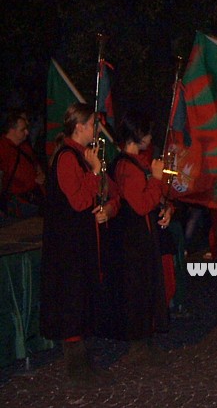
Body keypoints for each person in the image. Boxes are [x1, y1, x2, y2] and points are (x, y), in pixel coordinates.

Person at [40, 103, 119, 386]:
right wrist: (95, 172)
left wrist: (106, 203)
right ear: (80, 126)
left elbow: (102, 192)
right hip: (68, 248)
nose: (96, 130)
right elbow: (78, 199)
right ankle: (77, 371)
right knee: (72, 304)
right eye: (92, 125)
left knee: (82, 301)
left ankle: (85, 365)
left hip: (79, 244)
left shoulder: (79, 156)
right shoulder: (66, 157)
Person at [100, 111, 171, 364]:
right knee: (136, 287)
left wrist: (165, 206)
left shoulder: (133, 163)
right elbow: (140, 204)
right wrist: (158, 180)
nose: (151, 138)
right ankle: (138, 344)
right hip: (132, 237)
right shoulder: (126, 166)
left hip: (138, 234)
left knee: (142, 285)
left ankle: (144, 339)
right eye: (147, 133)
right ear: (137, 135)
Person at [0, 109, 45, 218]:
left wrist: (41, 175)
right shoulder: (3, 149)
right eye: (23, 129)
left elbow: (35, 164)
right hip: (19, 202)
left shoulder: (24, 146)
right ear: (12, 130)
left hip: (33, 197)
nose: (27, 132)